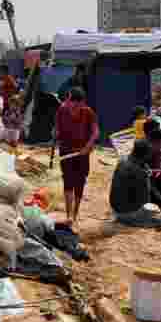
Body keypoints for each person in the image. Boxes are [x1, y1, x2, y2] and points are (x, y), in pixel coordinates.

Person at [55, 87, 99, 225]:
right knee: (68, 180)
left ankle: (75, 214)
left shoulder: (88, 112)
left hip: (82, 153)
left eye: (76, 104)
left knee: (80, 181)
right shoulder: (61, 110)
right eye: (69, 101)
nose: (71, 105)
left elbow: (95, 132)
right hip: (66, 152)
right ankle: (68, 215)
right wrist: (56, 134)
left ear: (82, 103)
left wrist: (88, 147)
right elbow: (57, 129)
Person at [109, 139, 161, 228]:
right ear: (144, 154)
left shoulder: (122, 160)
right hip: (128, 213)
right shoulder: (138, 172)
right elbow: (145, 200)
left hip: (116, 209)